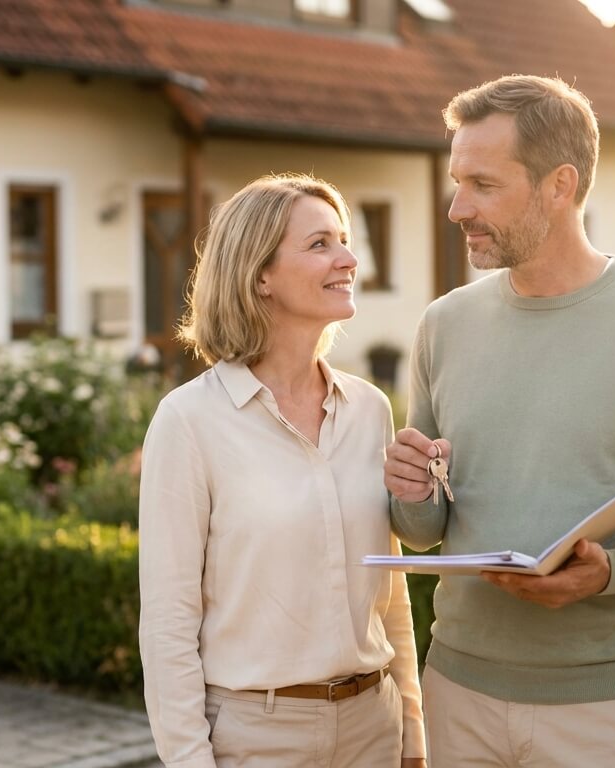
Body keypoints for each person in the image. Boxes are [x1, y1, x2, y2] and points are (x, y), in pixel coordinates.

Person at [383, 75, 615, 767]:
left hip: (608, 710)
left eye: (483, 185)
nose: (456, 207)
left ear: (559, 186)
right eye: (455, 182)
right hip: (458, 694)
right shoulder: (445, 325)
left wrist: (612, 570)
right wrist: (412, 492)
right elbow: (426, 530)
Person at [139, 173, 427, 768]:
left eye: (344, 240)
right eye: (320, 243)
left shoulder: (370, 409)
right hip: (254, 737)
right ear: (260, 274)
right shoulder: (190, 420)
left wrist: (412, 736)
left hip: (374, 726)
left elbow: (389, 592)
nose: (348, 259)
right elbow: (169, 624)